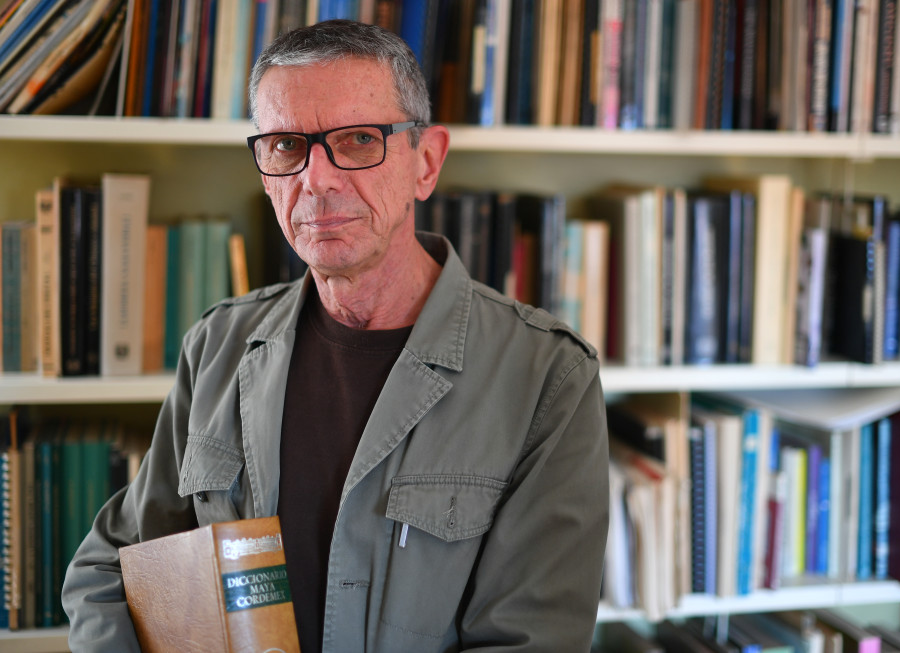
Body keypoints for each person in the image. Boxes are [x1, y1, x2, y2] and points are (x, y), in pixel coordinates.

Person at [62, 19, 609, 653]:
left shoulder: (547, 377)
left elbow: (530, 643)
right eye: (287, 145)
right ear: (266, 170)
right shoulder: (217, 345)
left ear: (425, 163)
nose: (316, 180)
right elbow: (110, 570)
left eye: (356, 140)